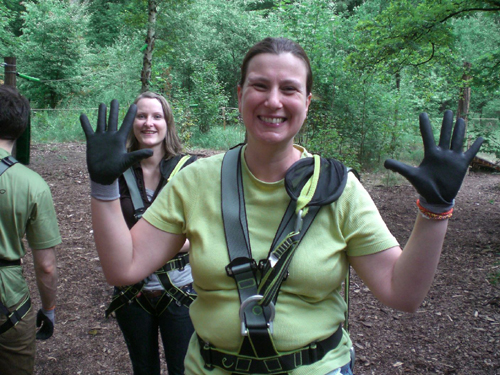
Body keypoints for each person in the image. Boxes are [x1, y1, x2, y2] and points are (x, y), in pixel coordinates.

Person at [80, 37, 483, 375]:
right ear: (240, 95)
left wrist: (435, 209)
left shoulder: (339, 189)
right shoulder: (195, 181)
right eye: (259, 86)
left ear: (307, 101)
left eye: (289, 89)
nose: (273, 101)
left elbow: (402, 293)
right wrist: (104, 187)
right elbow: (124, 267)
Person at [104, 92, 197, 375]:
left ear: (167, 123)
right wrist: (170, 240)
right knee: (143, 368)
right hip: (133, 294)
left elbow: (202, 233)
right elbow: (109, 234)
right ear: (132, 122)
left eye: (157, 116)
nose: (149, 123)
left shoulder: (190, 171)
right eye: (141, 116)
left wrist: (142, 243)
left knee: (183, 367)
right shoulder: (115, 171)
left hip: (181, 289)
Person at [0, 85, 61, 375]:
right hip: (8, 303)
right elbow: (46, 266)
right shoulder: (32, 184)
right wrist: (48, 310)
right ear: (22, 127)